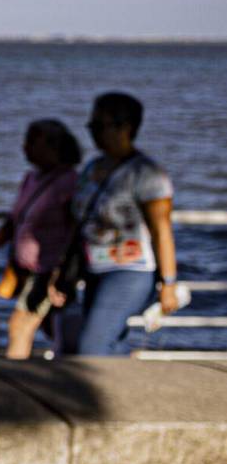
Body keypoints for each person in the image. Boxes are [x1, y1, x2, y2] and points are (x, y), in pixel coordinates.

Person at [49, 92, 179, 355]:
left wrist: (169, 283)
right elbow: (78, 224)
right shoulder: (91, 168)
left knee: (92, 346)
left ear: (125, 127)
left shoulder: (147, 174)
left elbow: (161, 231)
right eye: (91, 126)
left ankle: (92, 395)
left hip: (130, 271)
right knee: (113, 345)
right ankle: (126, 395)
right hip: (92, 269)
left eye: (99, 125)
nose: (93, 132)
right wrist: (61, 270)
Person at [0, 120, 81, 359]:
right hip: (25, 268)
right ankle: (88, 359)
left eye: (33, 140)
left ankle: (15, 382)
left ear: (54, 146)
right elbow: (14, 222)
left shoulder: (69, 182)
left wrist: (63, 273)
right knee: (52, 327)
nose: (25, 147)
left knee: (20, 325)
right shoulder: (31, 179)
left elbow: (77, 229)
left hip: (49, 270)